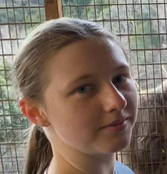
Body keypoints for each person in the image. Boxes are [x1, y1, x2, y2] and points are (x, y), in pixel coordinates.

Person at [12, 18, 138, 174]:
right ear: (35, 112)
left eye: (119, 78)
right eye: (83, 89)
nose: (118, 101)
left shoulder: (123, 171)